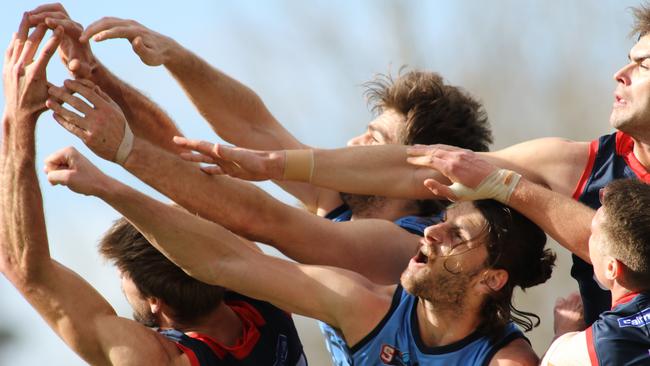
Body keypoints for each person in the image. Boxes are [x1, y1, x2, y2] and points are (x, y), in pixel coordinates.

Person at [188, 2, 650, 326]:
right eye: (626, 60)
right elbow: (418, 167)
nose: (620, 73)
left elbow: (632, 251)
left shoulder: (410, 241)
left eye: (643, 63)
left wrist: (512, 188)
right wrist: (273, 162)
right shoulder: (583, 160)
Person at [44, 144, 556, 365]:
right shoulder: (366, 307)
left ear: (492, 279)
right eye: (440, 221)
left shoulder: (506, 360)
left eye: (457, 235)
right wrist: (113, 184)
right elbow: (224, 262)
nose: (432, 234)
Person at [0, 17, 306, 366]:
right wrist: (94, 74)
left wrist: (18, 117)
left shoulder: (158, 358)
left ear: (155, 301)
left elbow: (21, 264)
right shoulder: (271, 298)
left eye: (124, 276)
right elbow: (186, 168)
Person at [384, 146, 650, 365]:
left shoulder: (595, 345)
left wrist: (565, 330)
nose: (581, 242)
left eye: (591, 235)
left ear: (612, 269)